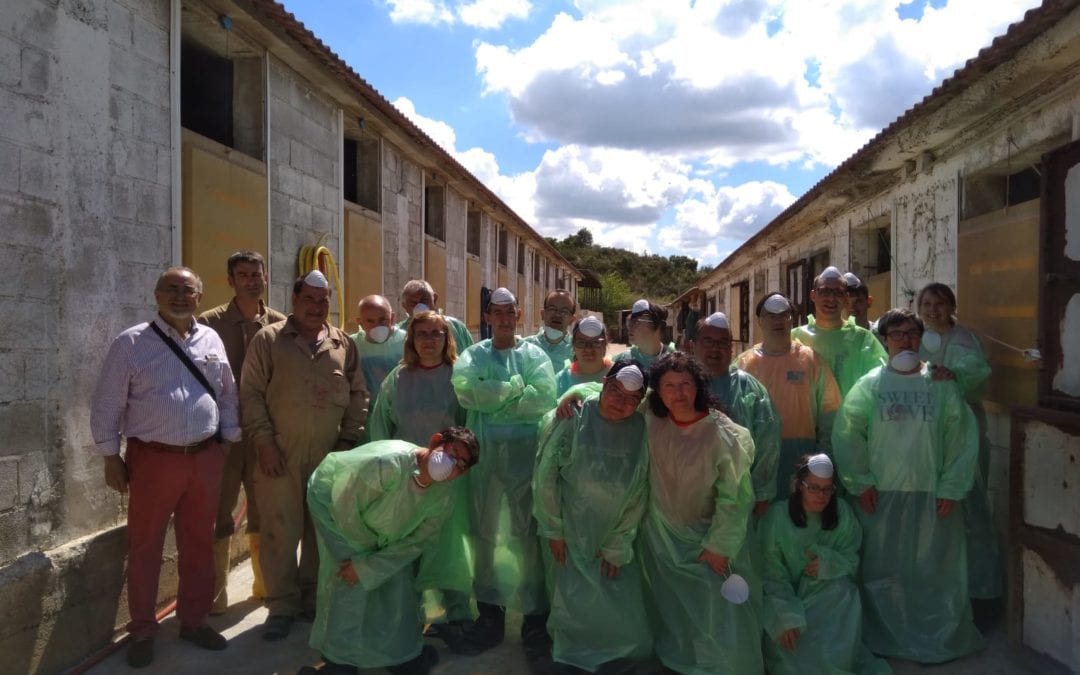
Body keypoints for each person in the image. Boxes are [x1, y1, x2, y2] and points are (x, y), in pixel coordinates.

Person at [90, 266, 239, 667]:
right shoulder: (131, 343)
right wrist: (110, 456)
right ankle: (142, 629)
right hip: (153, 460)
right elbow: (107, 403)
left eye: (187, 290)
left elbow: (226, 392)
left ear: (199, 297)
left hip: (205, 457)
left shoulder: (211, 339)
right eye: (170, 289)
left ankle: (194, 620)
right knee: (145, 547)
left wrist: (226, 440)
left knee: (199, 544)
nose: (179, 296)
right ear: (157, 295)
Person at [833, 307, 983, 662]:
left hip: (932, 495)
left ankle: (936, 634)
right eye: (897, 334)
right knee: (881, 571)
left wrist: (951, 488)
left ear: (921, 339)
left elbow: (961, 437)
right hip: (880, 495)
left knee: (934, 570)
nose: (905, 340)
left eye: (912, 334)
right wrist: (860, 482)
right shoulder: (870, 385)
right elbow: (848, 435)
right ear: (884, 340)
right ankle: (885, 635)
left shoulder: (941, 384)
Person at [240, 270, 369, 641]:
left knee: (320, 531)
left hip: (329, 456)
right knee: (280, 531)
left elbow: (359, 396)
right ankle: (281, 605)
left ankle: (313, 600)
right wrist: (264, 443)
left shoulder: (342, 343)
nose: (316, 306)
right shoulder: (269, 340)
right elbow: (250, 394)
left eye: (323, 299)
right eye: (309, 299)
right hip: (279, 454)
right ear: (294, 300)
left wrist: (346, 444)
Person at [300, 427, 480, 675]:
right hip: (334, 512)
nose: (451, 465)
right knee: (350, 581)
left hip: (383, 539)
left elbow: (417, 541)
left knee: (395, 585)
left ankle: (400, 654)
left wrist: (374, 563)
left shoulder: (443, 497)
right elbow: (345, 505)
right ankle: (339, 661)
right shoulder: (387, 464)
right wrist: (363, 561)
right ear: (436, 441)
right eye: (451, 452)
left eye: (460, 464)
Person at [450, 287, 558, 660]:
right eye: (497, 312)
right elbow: (466, 392)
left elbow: (542, 396)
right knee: (483, 530)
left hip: (525, 456)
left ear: (519, 315)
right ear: (488, 316)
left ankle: (533, 615)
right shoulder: (472, 356)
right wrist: (514, 389)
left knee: (527, 532)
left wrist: (494, 393)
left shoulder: (534, 355)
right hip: (482, 457)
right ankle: (489, 612)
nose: (504, 318)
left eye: (510, 311)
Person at [638, 352, 762, 674]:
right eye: (669, 386)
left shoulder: (722, 434)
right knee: (673, 607)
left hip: (706, 540)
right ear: (657, 391)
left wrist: (720, 545)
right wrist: (575, 394)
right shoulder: (651, 420)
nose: (678, 393)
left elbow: (735, 497)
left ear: (698, 386)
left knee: (715, 610)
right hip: (660, 537)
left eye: (685, 384)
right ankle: (680, 661)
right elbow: (606, 396)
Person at [534, 362, 652, 672]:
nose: (621, 402)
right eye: (614, 391)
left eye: (631, 398)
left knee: (614, 592)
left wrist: (619, 542)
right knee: (569, 595)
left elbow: (640, 489)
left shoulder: (641, 427)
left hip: (616, 529)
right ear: (604, 383)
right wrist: (553, 529)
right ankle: (572, 654)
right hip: (570, 527)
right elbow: (546, 477)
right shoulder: (574, 417)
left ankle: (614, 654)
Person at [367, 311, 472, 634]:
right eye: (422, 334)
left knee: (448, 549)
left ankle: (456, 615)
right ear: (411, 339)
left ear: (447, 339)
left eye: (437, 333)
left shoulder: (458, 377)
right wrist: (387, 474)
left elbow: (469, 429)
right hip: (406, 479)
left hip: (449, 481)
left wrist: (456, 467)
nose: (429, 340)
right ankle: (408, 616)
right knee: (407, 546)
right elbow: (380, 428)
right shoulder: (397, 379)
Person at [198, 251, 286, 614]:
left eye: (256, 274)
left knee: (265, 512)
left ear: (265, 278)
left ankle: (266, 589)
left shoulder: (281, 325)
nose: (251, 280)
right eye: (243, 274)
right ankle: (214, 598)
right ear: (230, 280)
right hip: (222, 437)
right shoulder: (209, 324)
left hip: (266, 435)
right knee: (218, 514)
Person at [760, 454, 890, 675]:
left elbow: (851, 559)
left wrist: (829, 563)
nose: (821, 496)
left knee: (845, 591)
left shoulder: (842, 514)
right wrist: (783, 615)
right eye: (814, 488)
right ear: (799, 486)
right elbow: (769, 573)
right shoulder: (777, 518)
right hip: (790, 602)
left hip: (829, 603)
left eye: (827, 489)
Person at [917, 282, 1002, 604]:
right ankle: (938, 591)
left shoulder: (965, 339)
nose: (933, 310)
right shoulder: (916, 339)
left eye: (940, 303)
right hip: (926, 435)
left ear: (952, 306)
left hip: (964, 432)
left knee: (970, 504)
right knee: (934, 509)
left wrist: (952, 374)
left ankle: (979, 591)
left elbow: (974, 371)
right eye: (927, 303)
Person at [735, 293, 841, 501]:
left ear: (792, 319)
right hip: (757, 461)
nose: (778, 321)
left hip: (802, 458)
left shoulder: (811, 360)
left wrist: (822, 457)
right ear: (759, 321)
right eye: (770, 315)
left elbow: (830, 413)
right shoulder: (744, 364)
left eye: (784, 315)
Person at [690, 311, 782, 514]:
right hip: (686, 495)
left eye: (723, 343)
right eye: (708, 341)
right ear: (693, 345)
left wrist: (762, 492)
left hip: (737, 498)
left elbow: (768, 443)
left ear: (731, 348)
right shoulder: (680, 383)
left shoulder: (749, 389)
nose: (716, 348)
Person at [792, 266, 887, 396]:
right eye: (825, 292)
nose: (831, 299)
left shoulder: (862, 338)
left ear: (845, 298)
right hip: (806, 415)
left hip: (851, 415)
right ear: (813, 295)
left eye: (838, 293)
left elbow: (882, 381)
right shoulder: (796, 337)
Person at [350, 294, 407, 412]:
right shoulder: (352, 345)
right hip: (367, 415)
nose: (377, 325)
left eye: (382, 320)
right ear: (360, 323)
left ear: (392, 318)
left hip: (402, 413)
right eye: (370, 321)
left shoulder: (407, 341)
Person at [397, 279, 474, 353]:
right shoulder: (399, 333)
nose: (419, 306)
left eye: (424, 300)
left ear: (434, 299)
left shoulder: (456, 327)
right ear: (404, 306)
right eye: (413, 303)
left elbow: (471, 357)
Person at [554, 316, 611, 396]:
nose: (588, 349)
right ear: (573, 345)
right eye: (581, 342)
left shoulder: (617, 376)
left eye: (596, 342)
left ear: (605, 344)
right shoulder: (561, 380)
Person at [613, 299, 674, 371]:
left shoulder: (673, 360)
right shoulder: (622, 360)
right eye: (629, 322)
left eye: (636, 322)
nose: (630, 327)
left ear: (658, 326)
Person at [523, 289, 576, 371]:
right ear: (542, 314)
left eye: (564, 311)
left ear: (572, 320)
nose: (557, 315)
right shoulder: (526, 346)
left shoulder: (577, 350)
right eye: (552, 309)